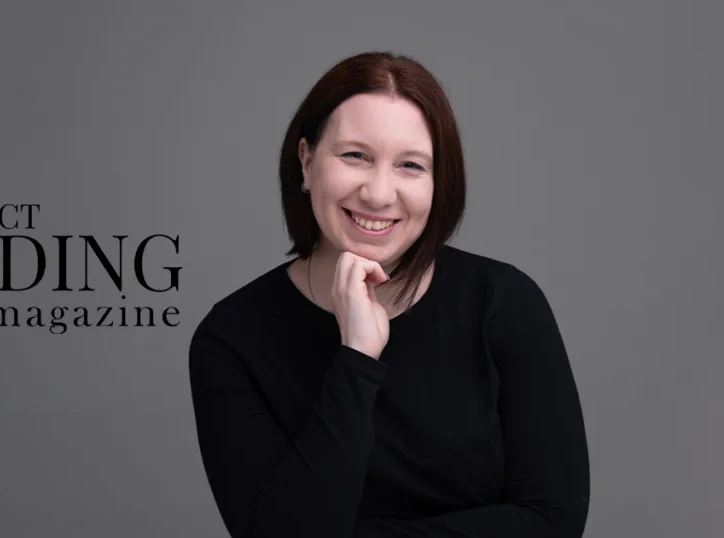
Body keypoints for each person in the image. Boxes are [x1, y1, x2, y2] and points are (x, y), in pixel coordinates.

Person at [187, 51, 590, 538]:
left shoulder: (503, 304)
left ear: (439, 184)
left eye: (410, 165)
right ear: (307, 161)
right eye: (355, 155)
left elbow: (552, 521)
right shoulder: (232, 337)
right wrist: (356, 358)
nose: (379, 194)